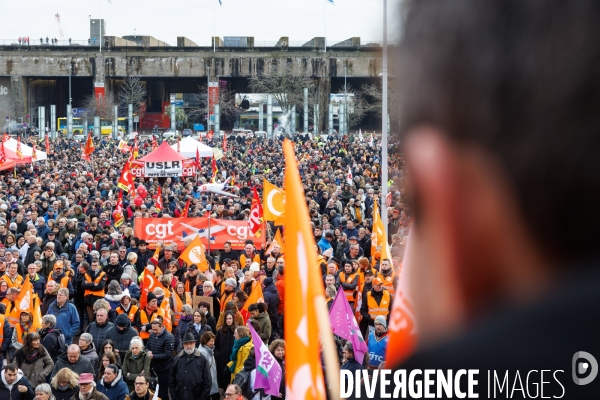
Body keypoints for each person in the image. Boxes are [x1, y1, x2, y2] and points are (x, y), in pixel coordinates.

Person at [168, 332, 211, 400]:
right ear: (183, 345)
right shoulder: (177, 359)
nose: (189, 346)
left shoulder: (202, 359)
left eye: (191, 343)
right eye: (186, 344)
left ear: (194, 343)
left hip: (197, 396)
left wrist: (202, 398)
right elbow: (171, 381)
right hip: (180, 396)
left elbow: (207, 382)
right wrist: (174, 397)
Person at [145, 318, 173, 400]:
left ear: (162, 326)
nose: (154, 331)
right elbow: (147, 346)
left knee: (162, 392)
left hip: (164, 370)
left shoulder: (169, 337)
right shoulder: (152, 335)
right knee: (153, 392)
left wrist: (153, 356)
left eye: (156, 329)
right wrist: (147, 352)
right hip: (153, 369)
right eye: (153, 329)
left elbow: (168, 355)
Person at [215, 310, 236, 391]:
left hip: (232, 359)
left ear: (233, 319)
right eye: (227, 318)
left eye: (230, 318)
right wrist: (218, 355)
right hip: (222, 359)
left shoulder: (236, 331)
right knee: (222, 378)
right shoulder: (220, 331)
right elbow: (216, 345)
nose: (228, 320)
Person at [197, 332, 219, 400]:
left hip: (211, 381)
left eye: (213, 341)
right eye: (211, 341)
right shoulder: (203, 352)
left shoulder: (208, 349)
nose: (213, 343)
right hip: (208, 382)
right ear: (205, 341)